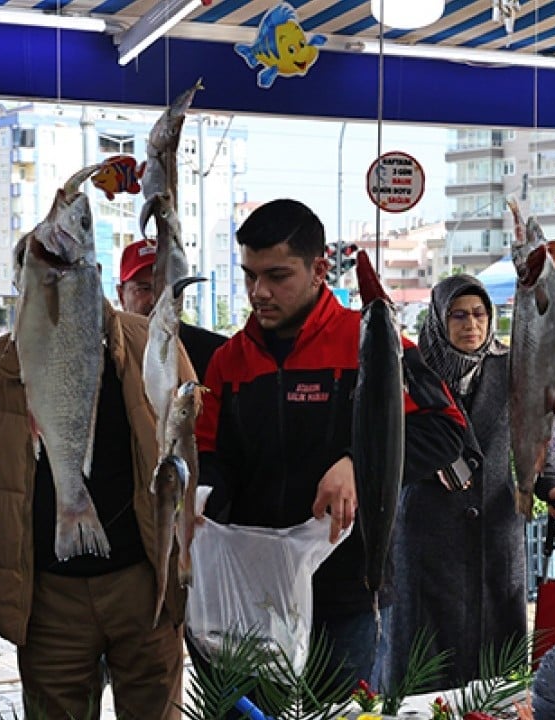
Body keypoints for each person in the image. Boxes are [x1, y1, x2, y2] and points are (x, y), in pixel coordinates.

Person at [196, 199, 473, 693]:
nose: (259, 292)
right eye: (249, 275)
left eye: (277, 276)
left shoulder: (372, 343)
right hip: (254, 591)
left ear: (319, 269)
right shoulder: (229, 360)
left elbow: (449, 429)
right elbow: (211, 455)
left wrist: (359, 464)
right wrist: (198, 506)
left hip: (347, 589)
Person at [0, 270, 193, 719]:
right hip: (49, 594)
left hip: (144, 580)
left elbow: (189, 434)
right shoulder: (0, 364)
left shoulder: (150, 341)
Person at [408, 274, 555, 689]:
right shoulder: (412, 368)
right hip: (428, 531)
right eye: (458, 315)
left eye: (479, 314)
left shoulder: (512, 366)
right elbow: (386, 438)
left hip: (495, 530)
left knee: (496, 665)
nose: (470, 325)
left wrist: (549, 482)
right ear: (439, 319)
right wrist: (428, 463)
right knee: (430, 663)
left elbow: (532, 435)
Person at [116, 237, 227, 380]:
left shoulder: (217, 354)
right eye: (144, 289)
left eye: (164, 290)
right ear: (121, 296)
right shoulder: (104, 359)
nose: (156, 301)